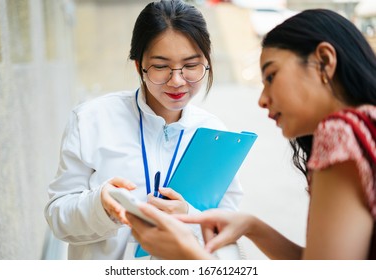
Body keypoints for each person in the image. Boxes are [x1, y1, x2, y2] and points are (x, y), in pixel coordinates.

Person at [127, 9, 376, 260]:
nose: (262, 100)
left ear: (324, 60)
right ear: (140, 67)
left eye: (271, 76)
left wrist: (189, 254)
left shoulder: (342, 134)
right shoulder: (368, 127)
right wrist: (251, 226)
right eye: (161, 66)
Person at [44, 0, 243, 260]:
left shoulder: (214, 134)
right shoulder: (91, 120)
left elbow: (228, 225)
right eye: (161, 66)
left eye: (191, 65)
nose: (177, 80)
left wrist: (189, 217)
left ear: (206, 62)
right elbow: (57, 216)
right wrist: (99, 207)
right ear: (139, 66)